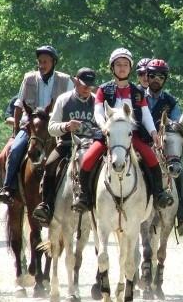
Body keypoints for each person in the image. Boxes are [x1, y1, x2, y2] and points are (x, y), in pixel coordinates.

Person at [72, 47, 174, 212]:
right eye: (118, 64)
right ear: (112, 67)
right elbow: (98, 112)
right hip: (109, 134)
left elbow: (146, 114)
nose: (122, 67)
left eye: (125, 64)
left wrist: (154, 132)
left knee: (151, 158)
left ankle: (158, 193)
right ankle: (84, 196)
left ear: (130, 67)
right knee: (88, 158)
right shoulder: (103, 90)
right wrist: (104, 126)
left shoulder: (137, 92)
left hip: (131, 135)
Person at [0, 45, 72, 204]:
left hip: (55, 126)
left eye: (45, 61)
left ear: (53, 62)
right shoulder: (28, 78)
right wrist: (16, 131)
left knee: (74, 153)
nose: (42, 65)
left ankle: (76, 192)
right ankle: (8, 187)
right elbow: (18, 105)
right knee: (15, 149)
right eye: (40, 61)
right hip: (31, 127)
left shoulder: (65, 80)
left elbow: (72, 102)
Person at [31, 68, 99, 225]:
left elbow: (104, 125)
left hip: (91, 145)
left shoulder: (97, 102)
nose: (87, 89)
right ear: (75, 81)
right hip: (66, 144)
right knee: (49, 165)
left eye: (90, 86)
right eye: (84, 85)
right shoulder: (63, 100)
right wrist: (67, 126)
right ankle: (46, 205)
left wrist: (94, 131)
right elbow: (51, 127)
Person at [143, 58, 183, 234]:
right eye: (152, 75)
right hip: (141, 144)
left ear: (165, 79)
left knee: (181, 173)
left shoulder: (171, 101)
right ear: (147, 76)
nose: (156, 79)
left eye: (160, 76)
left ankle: (182, 214)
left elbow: (175, 125)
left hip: (163, 148)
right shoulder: (138, 96)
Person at [0, 94, 24, 200]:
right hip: (18, 134)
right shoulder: (16, 98)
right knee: (2, 156)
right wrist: (19, 122)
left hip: (39, 135)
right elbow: (8, 117)